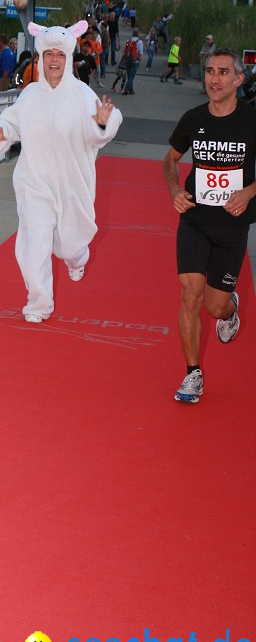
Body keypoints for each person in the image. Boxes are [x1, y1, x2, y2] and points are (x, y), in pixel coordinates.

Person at [0, 20, 122, 323]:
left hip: (73, 185)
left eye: (60, 54)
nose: (54, 60)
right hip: (35, 185)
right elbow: (10, 123)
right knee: (35, 245)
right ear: (41, 58)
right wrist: (0, 135)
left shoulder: (82, 94)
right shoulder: (30, 94)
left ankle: (78, 258)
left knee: (70, 245)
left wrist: (100, 122)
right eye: (49, 54)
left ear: (68, 58)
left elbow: (101, 129)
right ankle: (38, 303)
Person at [162, 48, 256, 404]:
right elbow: (170, 160)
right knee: (190, 296)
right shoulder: (192, 118)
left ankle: (230, 308)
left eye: (222, 72)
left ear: (238, 80)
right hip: (195, 220)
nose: (214, 79)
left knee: (214, 307)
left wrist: (248, 192)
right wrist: (174, 189)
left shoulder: (251, 120)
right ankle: (192, 374)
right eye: (209, 72)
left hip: (233, 225)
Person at [121, 28, 143, 96]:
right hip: (135, 60)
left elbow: (125, 51)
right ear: (138, 35)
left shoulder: (128, 40)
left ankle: (131, 90)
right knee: (131, 77)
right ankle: (126, 90)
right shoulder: (139, 42)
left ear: (132, 34)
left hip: (127, 60)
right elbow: (140, 52)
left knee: (129, 75)